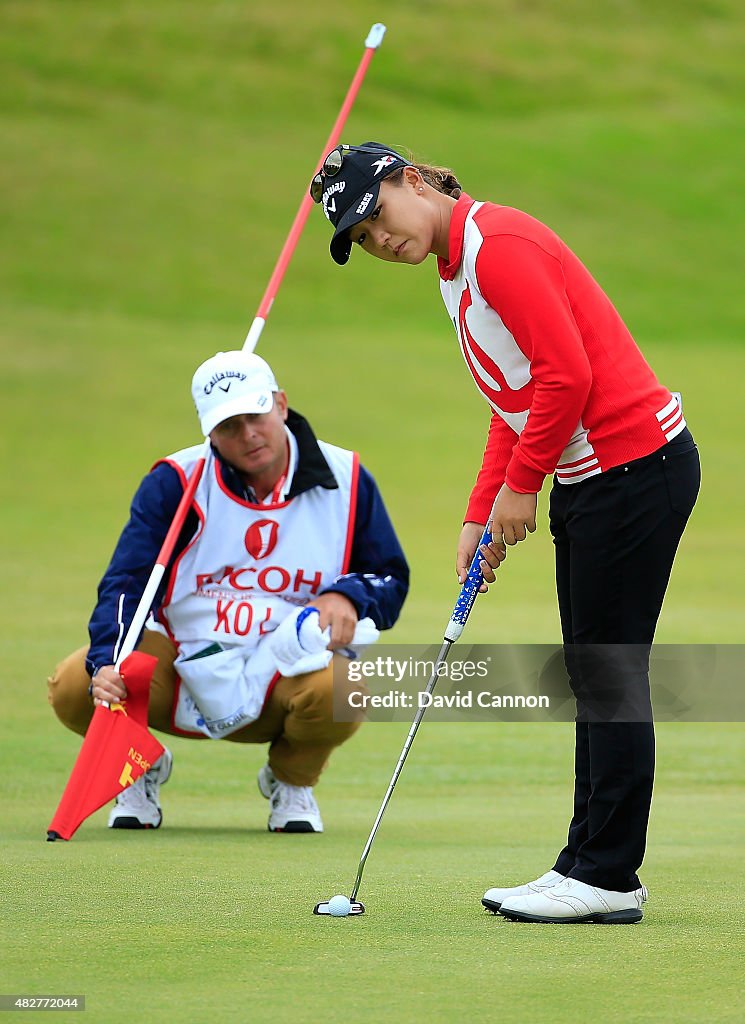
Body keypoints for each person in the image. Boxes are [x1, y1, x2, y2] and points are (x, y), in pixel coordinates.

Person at [312, 142, 700, 922]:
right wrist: (478, 511)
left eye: (377, 216)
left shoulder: (499, 248)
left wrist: (522, 489)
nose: (380, 241)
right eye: (362, 239)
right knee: (593, 674)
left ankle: (606, 876)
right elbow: (513, 400)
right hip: (599, 477)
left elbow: (567, 376)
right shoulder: (456, 273)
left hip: (630, 469)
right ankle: (584, 863)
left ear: (410, 181)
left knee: (608, 677)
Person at [48, 349, 409, 834]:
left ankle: (291, 780)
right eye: (228, 426)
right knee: (77, 685)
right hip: (179, 660)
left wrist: (347, 596)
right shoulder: (175, 482)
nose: (248, 435)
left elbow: (390, 578)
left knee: (342, 690)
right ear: (209, 432)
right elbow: (126, 583)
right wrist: (108, 659)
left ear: (281, 404)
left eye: (255, 416)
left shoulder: (346, 477)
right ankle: (137, 765)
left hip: (283, 671)